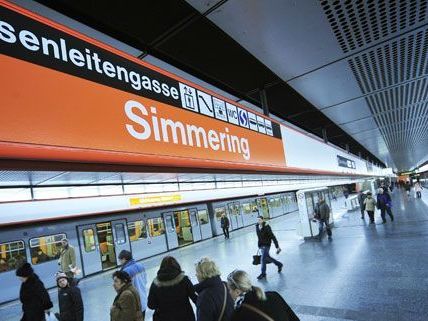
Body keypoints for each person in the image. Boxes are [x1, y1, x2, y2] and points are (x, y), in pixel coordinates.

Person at [227, 270, 299, 321]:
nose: (228, 292)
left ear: (237, 292)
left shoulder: (239, 315)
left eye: (229, 289)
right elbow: (293, 318)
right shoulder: (274, 295)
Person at [148, 256, 197, 321]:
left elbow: (151, 305)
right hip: (185, 317)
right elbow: (195, 298)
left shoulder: (155, 284)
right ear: (176, 266)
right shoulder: (184, 280)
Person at [119, 250, 147, 319]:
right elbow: (145, 281)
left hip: (133, 305)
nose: (120, 262)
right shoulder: (141, 266)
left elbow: (123, 289)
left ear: (124, 259)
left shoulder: (125, 271)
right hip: (143, 301)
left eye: (120, 260)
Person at [255, 216, 283, 280]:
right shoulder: (257, 226)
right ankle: (279, 264)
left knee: (262, 259)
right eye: (258, 220)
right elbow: (259, 237)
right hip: (261, 245)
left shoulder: (267, 226)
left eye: (260, 220)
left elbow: (273, 236)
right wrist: (259, 245)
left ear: (263, 220)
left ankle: (263, 273)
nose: (258, 221)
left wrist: (277, 246)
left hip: (267, 244)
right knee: (267, 257)